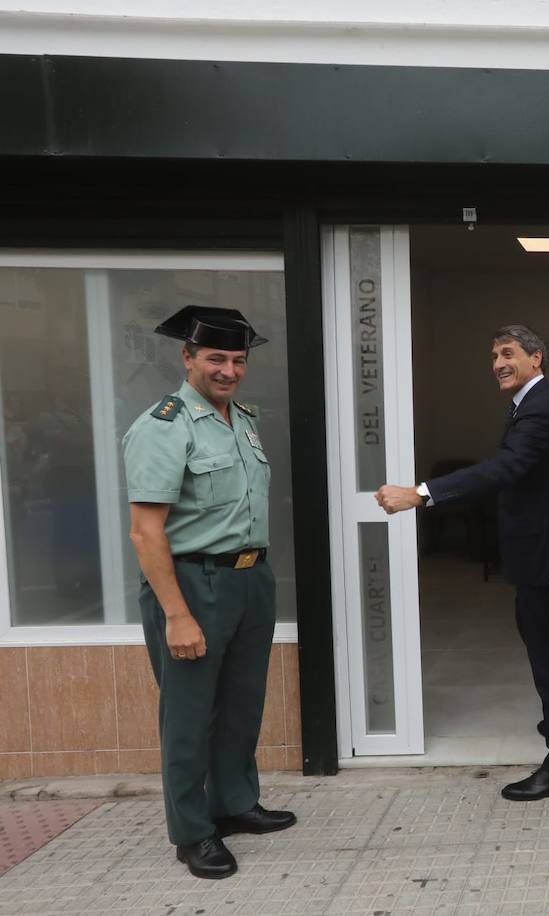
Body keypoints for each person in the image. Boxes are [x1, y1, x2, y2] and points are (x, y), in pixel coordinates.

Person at [375, 325, 549, 801]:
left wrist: (421, 493)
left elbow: (504, 468)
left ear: (537, 357)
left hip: (542, 553)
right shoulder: (533, 403)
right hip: (540, 548)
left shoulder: (541, 409)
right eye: (493, 355)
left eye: (508, 353)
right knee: (546, 644)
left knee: (546, 652)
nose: (498, 363)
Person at [122, 306, 295, 880]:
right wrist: (177, 613)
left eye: (238, 360)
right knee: (190, 714)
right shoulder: (164, 426)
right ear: (188, 358)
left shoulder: (239, 420)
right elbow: (146, 531)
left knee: (242, 705)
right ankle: (193, 832)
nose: (228, 370)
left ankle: (235, 803)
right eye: (216, 358)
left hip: (250, 580)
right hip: (193, 583)